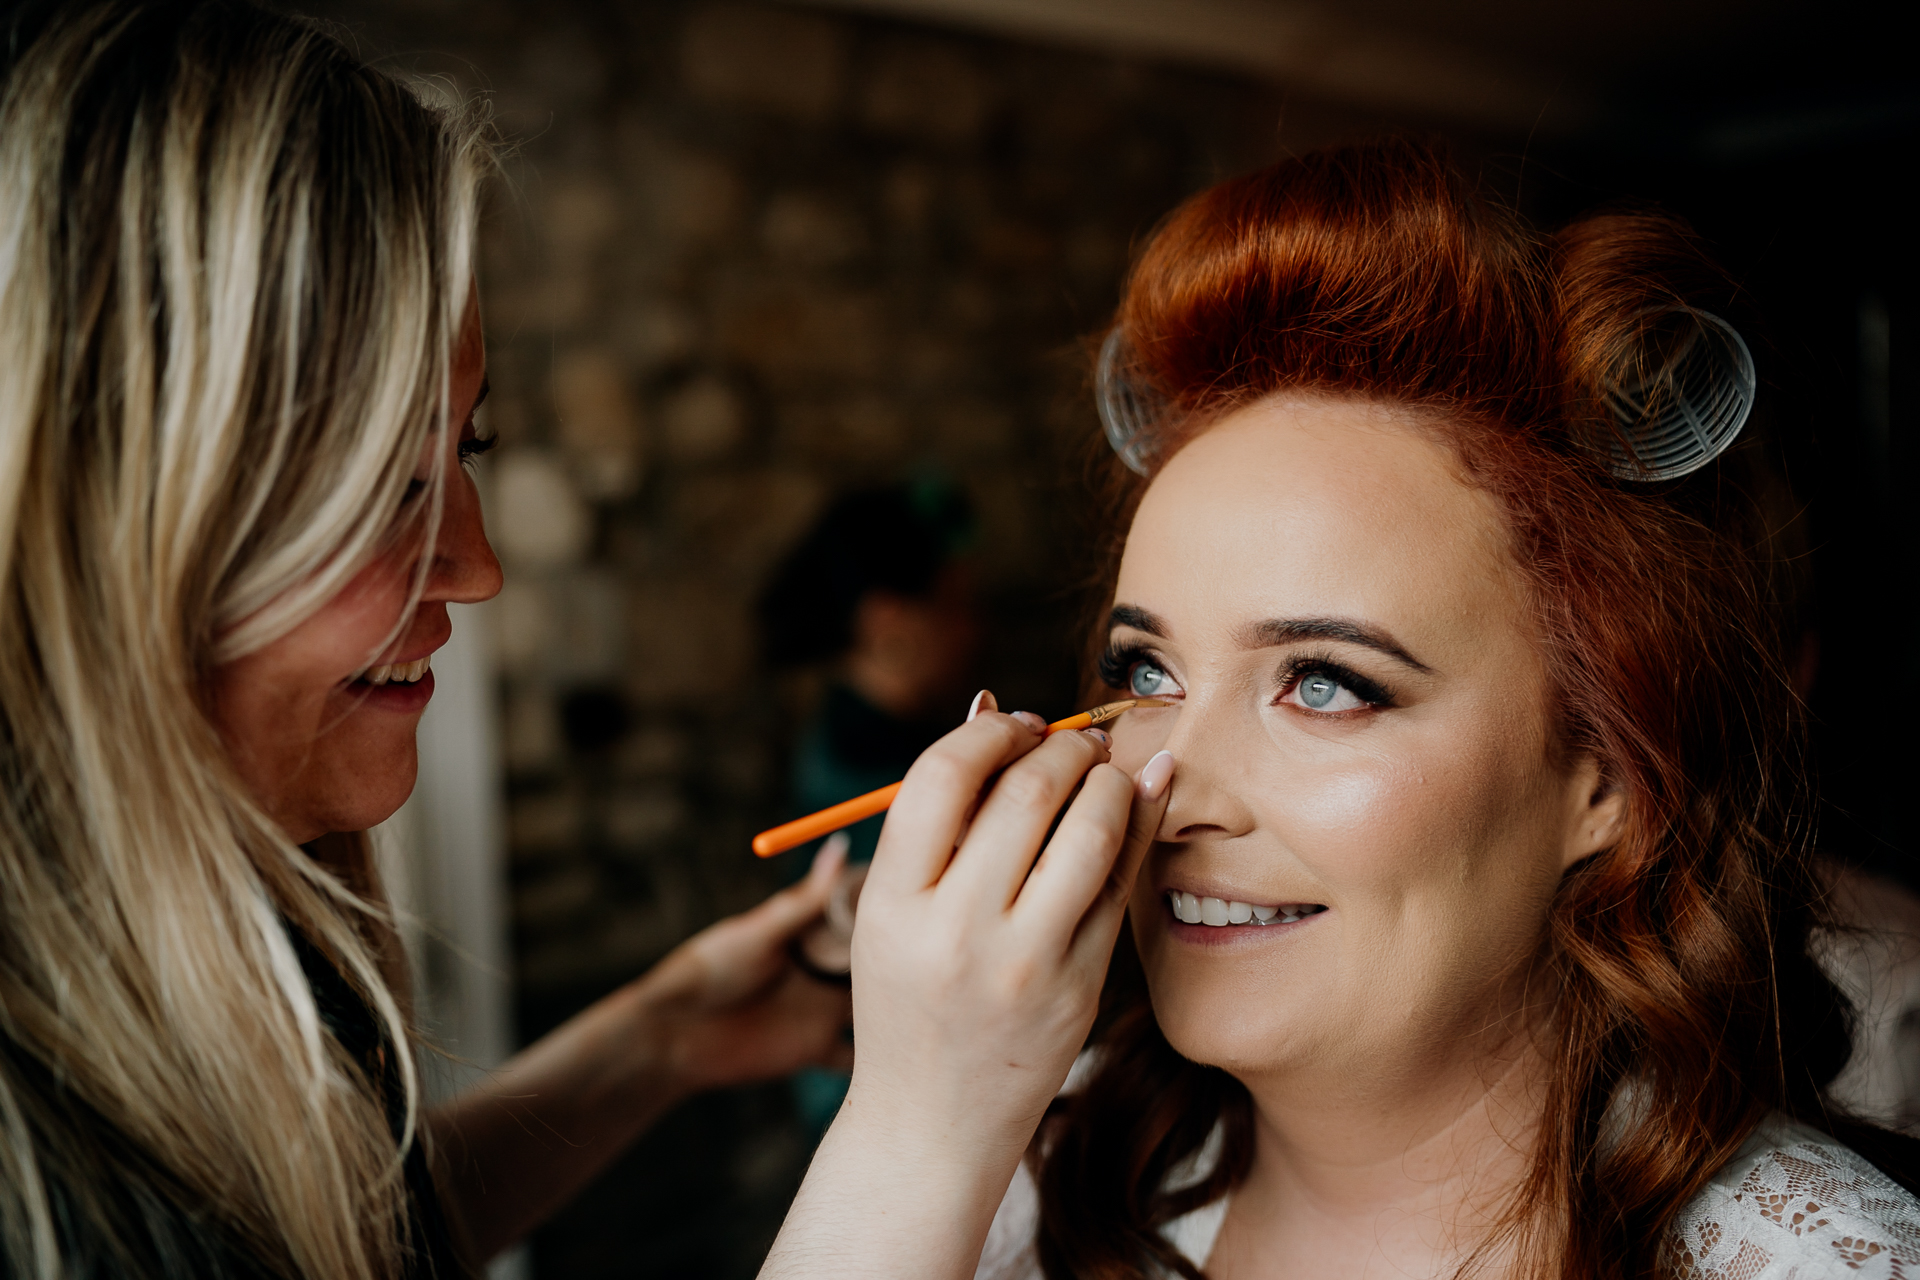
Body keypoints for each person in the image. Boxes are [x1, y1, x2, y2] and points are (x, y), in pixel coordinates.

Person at [761, 141, 1920, 1278]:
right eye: (1149, 673)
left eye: (1324, 680)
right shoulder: (1011, 1161)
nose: (1175, 796)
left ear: (1607, 781)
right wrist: (910, 1136)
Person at [0, 3, 861, 1274]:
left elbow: (345, 1234)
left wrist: (668, 1032)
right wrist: (931, 1115)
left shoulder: (242, 926)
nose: (479, 564)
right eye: (383, 478)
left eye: (467, 447)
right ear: (120, 511)